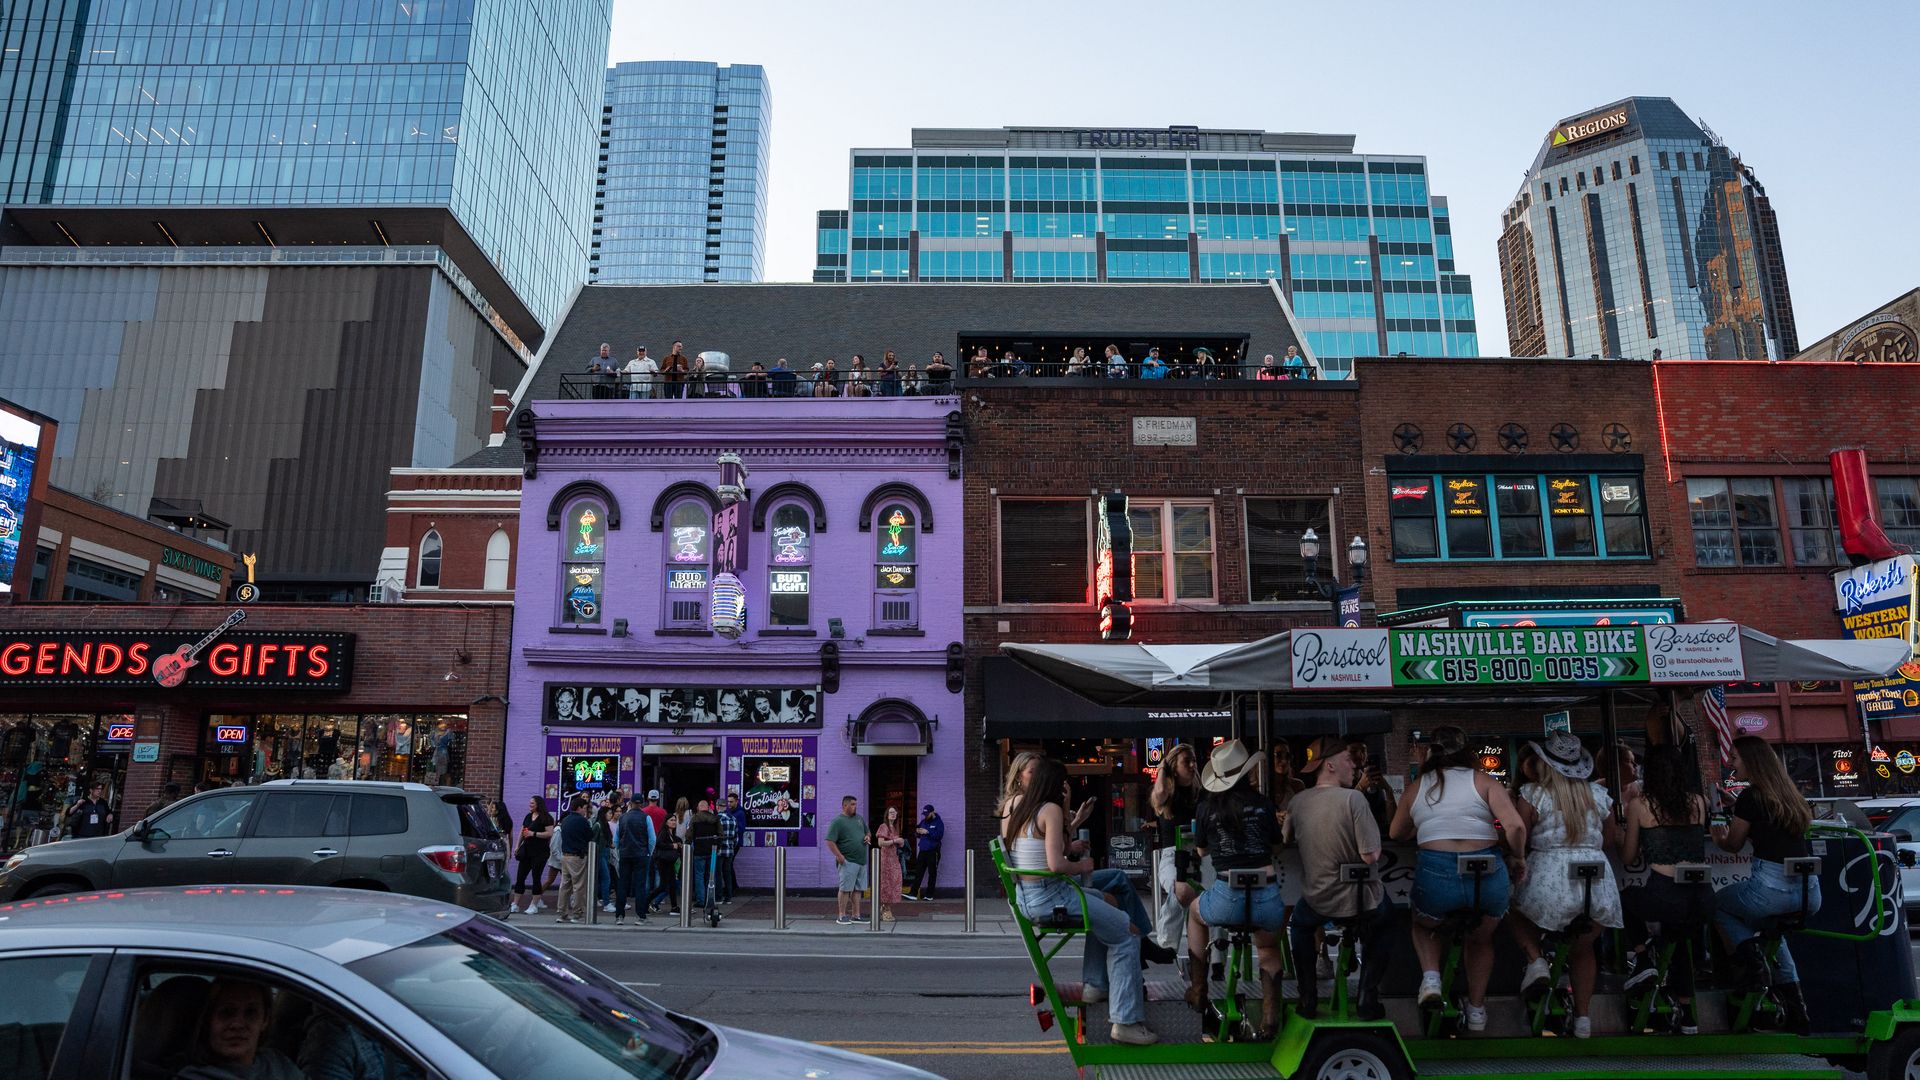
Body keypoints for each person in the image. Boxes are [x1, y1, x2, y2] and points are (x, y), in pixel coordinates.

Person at [1004, 757, 1158, 1046]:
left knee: (1109, 904)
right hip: (1053, 895)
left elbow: (1052, 850)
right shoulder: (1047, 809)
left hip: (1032, 896)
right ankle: (1125, 1022)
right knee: (1126, 936)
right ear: (1055, 785)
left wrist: (1065, 811)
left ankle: (1096, 985)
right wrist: (1082, 867)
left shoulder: (1013, 806)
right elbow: (1057, 863)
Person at [1390, 725, 1529, 1033]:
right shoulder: (1484, 781)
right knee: (1481, 938)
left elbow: (1395, 833)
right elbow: (1516, 828)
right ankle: (1477, 1011)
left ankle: (1431, 979)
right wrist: (1518, 857)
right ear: (1467, 751)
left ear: (1431, 752)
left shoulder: (1418, 786)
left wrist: (1426, 825)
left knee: (1423, 923)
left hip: (1438, 875)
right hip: (1487, 875)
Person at [1507, 734, 1623, 1039]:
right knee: (1583, 950)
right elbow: (1610, 840)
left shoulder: (1533, 793)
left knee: (1513, 908)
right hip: (1598, 883)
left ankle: (1536, 962)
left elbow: (1520, 835)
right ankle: (1584, 1020)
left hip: (1550, 875)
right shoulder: (1599, 795)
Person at [1713, 735, 1817, 1033]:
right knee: (1775, 932)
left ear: (1752, 761)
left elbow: (1733, 845)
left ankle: (1753, 964)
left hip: (1771, 891)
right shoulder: (1789, 794)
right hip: (1810, 892)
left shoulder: (1750, 797)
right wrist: (1738, 808)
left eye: (1734, 759)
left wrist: (1719, 836)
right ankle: (1798, 1011)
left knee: (1718, 903)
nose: (1731, 765)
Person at [1287, 736, 1394, 1020]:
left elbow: (1285, 842)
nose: (1354, 767)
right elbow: (1370, 855)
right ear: (1331, 765)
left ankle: (1307, 995)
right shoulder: (1354, 799)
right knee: (1385, 920)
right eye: (1348, 760)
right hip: (1362, 900)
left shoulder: (1298, 801)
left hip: (1317, 900)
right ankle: (1367, 995)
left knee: (1299, 926)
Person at [1184, 741, 1286, 1035]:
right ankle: (1269, 1018)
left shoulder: (1206, 808)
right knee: (1267, 947)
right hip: (1266, 894)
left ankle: (1199, 989)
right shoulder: (1264, 804)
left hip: (1227, 895)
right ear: (1245, 772)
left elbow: (1201, 852)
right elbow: (1277, 846)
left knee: (1194, 911)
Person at [1620, 745, 1714, 1034]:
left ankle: (1642, 954)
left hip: (1664, 893)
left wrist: (1620, 835)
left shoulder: (1641, 804)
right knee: (1680, 937)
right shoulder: (1699, 802)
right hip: (1702, 896)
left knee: (1622, 899)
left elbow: (1629, 857)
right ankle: (1687, 1014)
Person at [176, 977, 303, 1080]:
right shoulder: (191, 1077)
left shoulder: (278, 1064)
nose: (238, 1025)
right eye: (227, 1012)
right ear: (209, 1020)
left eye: (250, 1013)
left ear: (265, 1020)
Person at [1148, 743, 1200, 950]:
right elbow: (1159, 791)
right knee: (1177, 888)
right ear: (1173, 767)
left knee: (1213, 892)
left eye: (1194, 760)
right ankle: (1167, 945)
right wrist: (1162, 767)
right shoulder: (1165, 795)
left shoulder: (1202, 793)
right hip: (1172, 853)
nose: (1192, 765)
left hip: (1200, 853)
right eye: (1186, 761)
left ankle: (1216, 949)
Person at [825, 795, 870, 925]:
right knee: (845, 889)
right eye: (852, 804)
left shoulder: (859, 819)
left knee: (857, 889)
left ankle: (856, 915)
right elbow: (830, 840)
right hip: (848, 860)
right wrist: (839, 856)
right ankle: (842, 915)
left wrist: (867, 837)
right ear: (844, 806)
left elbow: (868, 832)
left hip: (861, 860)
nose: (855, 806)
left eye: (855, 804)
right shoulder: (838, 821)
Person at [611, 796, 653, 926]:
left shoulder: (623, 818)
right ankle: (641, 916)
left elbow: (616, 839)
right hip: (641, 854)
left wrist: (620, 850)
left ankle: (619, 916)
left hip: (625, 854)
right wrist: (648, 852)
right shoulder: (646, 818)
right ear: (642, 804)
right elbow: (652, 838)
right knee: (640, 886)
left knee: (622, 885)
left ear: (630, 803)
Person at [511, 795, 554, 915]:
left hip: (540, 852)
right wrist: (517, 846)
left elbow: (549, 833)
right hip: (527, 850)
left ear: (538, 804)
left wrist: (533, 833)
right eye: (530, 803)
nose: (530, 805)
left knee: (536, 877)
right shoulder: (528, 816)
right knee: (520, 877)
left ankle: (534, 905)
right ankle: (515, 904)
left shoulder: (546, 818)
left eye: (532, 803)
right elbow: (522, 831)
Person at [553, 794, 592, 923]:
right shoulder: (582, 821)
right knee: (579, 886)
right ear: (579, 808)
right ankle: (577, 913)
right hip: (577, 857)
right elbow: (590, 836)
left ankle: (562, 912)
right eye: (584, 808)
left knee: (565, 886)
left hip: (565, 856)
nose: (585, 810)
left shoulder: (566, 820)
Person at [646, 804, 683, 915]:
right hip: (663, 862)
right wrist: (673, 846)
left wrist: (678, 843)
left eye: (675, 820)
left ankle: (674, 907)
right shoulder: (663, 833)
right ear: (666, 822)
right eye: (671, 820)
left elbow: (673, 842)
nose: (673, 822)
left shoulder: (672, 835)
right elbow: (660, 844)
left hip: (669, 862)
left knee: (671, 885)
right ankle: (645, 902)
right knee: (663, 886)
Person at [875, 805, 908, 921]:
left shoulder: (895, 827)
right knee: (887, 884)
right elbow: (880, 843)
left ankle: (885, 907)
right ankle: (886, 909)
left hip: (894, 859)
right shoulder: (883, 826)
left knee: (895, 882)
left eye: (895, 812)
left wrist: (901, 843)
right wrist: (895, 840)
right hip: (886, 860)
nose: (893, 814)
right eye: (891, 812)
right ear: (887, 815)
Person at [906, 804, 944, 900]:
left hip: (933, 851)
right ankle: (913, 894)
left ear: (932, 812)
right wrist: (917, 832)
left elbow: (939, 836)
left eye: (927, 814)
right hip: (922, 851)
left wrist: (927, 832)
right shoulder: (923, 821)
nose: (925, 816)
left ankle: (929, 895)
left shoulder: (939, 823)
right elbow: (917, 833)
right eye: (924, 814)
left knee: (932, 873)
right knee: (918, 872)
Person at [687, 799, 720, 907]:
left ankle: (701, 900)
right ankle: (711, 898)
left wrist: (687, 846)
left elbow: (689, 835)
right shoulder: (715, 819)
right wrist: (718, 846)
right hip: (712, 851)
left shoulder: (695, 818)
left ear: (698, 807)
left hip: (699, 851)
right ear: (708, 808)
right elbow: (721, 834)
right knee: (711, 876)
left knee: (699, 876)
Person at [719, 793, 746, 902]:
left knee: (727, 866)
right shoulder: (730, 813)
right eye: (728, 802)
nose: (729, 804)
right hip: (731, 844)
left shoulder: (739, 813)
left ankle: (732, 888)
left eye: (731, 801)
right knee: (728, 866)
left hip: (733, 843)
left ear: (736, 801)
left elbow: (741, 829)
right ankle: (732, 888)